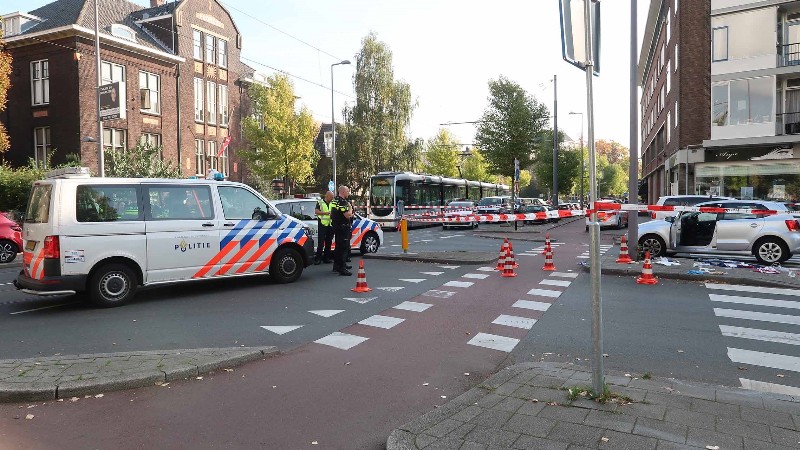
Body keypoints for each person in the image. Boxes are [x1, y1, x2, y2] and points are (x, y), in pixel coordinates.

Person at [331, 185, 354, 276]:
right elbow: (347, 215)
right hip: (343, 227)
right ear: (343, 192)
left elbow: (332, 213)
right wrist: (351, 209)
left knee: (338, 247)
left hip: (336, 226)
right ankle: (342, 268)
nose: (348, 193)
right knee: (344, 248)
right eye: (347, 191)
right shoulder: (343, 202)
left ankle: (337, 266)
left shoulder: (335, 200)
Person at [314, 191, 335, 265]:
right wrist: (326, 213)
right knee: (321, 243)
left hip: (330, 225)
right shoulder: (320, 202)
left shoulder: (333, 203)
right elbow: (316, 212)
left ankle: (326, 258)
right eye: (331, 197)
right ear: (327, 196)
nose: (332, 198)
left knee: (329, 242)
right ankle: (318, 259)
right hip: (322, 224)